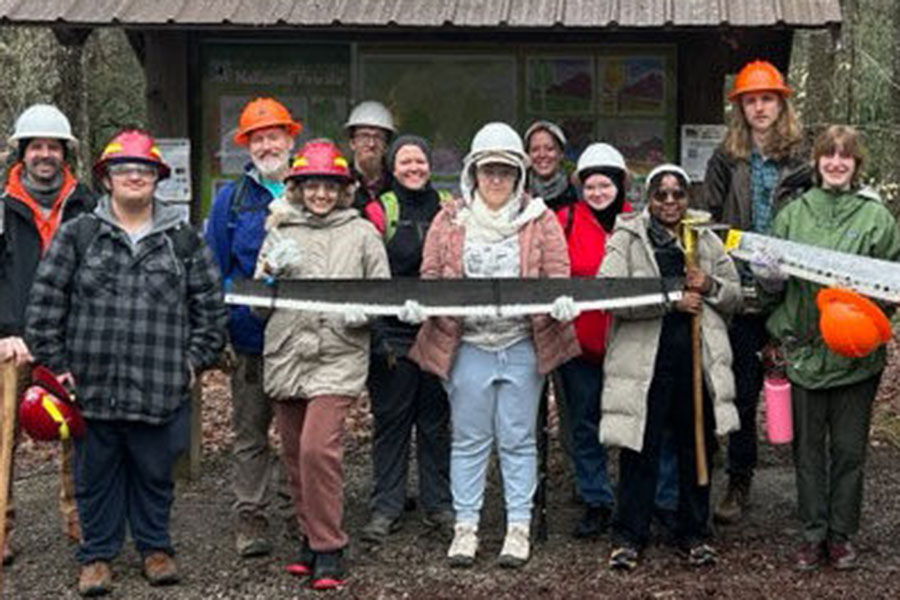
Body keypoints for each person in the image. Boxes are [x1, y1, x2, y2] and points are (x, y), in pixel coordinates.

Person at [25, 129, 227, 596]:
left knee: (156, 473)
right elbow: (45, 303)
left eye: (144, 170)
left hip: (160, 385)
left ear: (157, 179)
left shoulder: (183, 240)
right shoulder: (80, 235)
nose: (135, 176)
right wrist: (56, 364)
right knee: (94, 475)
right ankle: (96, 556)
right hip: (91, 386)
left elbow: (210, 310)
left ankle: (156, 548)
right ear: (107, 179)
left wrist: (192, 362)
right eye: (124, 170)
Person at [405, 122, 580, 568]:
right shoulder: (449, 220)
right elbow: (430, 280)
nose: (497, 179)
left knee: (519, 439)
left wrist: (560, 305)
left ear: (519, 174)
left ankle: (517, 527)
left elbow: (557, 276)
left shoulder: (539, 220)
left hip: (522, 343)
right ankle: (467, 527)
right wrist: (420, 309)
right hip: (467, 347)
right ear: (473, 174)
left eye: (505, 170)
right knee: (468, 439)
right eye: (489, 171)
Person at [754, 126, 900, 571]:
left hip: (856, 355)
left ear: (857, 165)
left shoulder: (877, 219)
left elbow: (892, 287)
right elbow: (769, 294)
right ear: (816, 162)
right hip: (803, 353)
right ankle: (812, 532)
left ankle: (841, 535)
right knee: (808, 451)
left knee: (851, 450)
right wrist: (769, 278)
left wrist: (863, 320)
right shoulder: (792, 215)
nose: (837, 163)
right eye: (829, 156)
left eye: (846, 157)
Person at [256, 139, 389, 590]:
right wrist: (269, 274)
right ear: (297, 188)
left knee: (318, 449)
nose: (320, 195)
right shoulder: (279, 230)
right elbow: (257, 306)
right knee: (294, 455)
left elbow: (382, 295)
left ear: (343, 189)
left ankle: (330, 546)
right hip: (287, 352)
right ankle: (308, 540)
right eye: (311, 185)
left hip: (337, 354)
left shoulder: (362, 233)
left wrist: (364, 313)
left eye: (329, 186)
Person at [600, 164, 741, 570]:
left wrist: (709, 286)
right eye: (661, 195)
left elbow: (735, 296)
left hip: (696, 364)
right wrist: (671, 299)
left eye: (677, 194)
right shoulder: (627, 237)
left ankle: (694, 532)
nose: (669, 202)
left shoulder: (705, 239)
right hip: (644, 364)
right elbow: (610, 293)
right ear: (649, 198)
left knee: (695, 447)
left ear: (687, 198)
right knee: (639, 449)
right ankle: (629, 535)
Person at [700, 59, 812, 524]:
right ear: (740, 108)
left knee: (804, 384)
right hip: (743, 290)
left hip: (796, 289)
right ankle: (739, 480)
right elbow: (710, 216)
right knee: (743, 390)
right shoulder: (727, 157)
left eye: (767, 99)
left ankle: (812, 491)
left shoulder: (805, 157)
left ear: (781, 103)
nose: (760, 108)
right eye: (751, 101)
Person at [0, 103, 96, 563]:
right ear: (22, 152)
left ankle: (81, 522)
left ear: (65, 153)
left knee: (76, 433)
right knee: (3, 438)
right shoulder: (2, 208)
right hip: (12, 342)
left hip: (72, 340)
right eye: (35, 146)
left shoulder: (88, 205)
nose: (44, 154)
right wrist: (6, 330)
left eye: (52, 146)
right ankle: (2, 524)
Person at [205, 97, 301, 556]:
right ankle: (251, 518)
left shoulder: (312, 189)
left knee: (300, 432)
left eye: (274, 136)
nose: (267, 145)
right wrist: (222, 328)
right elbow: (213, 268)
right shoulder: (232, 199)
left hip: (305, 339)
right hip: (251, 339)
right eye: (258, 138)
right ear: (248, 144)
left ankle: (300, 511)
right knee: (250, 433)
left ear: (290, 139)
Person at [360, 135, 453, 543]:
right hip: (392, 332)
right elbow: (367, 274)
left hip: (437, 328)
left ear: (430, 166)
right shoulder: (379, 211)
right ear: (392, 167)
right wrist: (377, 334)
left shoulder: (449, 208)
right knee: (392, 421)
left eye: (420, 161)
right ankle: (386, 506)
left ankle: (438, 503)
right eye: (405, 162)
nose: (414, 168)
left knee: (435, 421)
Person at [554, 143, 632, 538]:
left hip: (629, 347)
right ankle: (596, 499)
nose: (598, 192)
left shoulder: (637, 222)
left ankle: (637, 498)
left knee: (632, 423)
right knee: (585, 424)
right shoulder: (564, 219)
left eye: (606, 184)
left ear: (619, 184)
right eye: (591, 185)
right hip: (579, 346)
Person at [345, 100, 395, 212]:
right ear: (352, 143)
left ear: (386, 145)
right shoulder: (341, 182)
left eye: (378, 137)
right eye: (364, 136)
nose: (371, 144)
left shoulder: (397, 185)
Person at [524, 120, 578, 211]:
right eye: (535, 150)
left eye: (549, 149)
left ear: (561, 154)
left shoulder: (576, 190)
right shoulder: (518, 191)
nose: (542, 155)